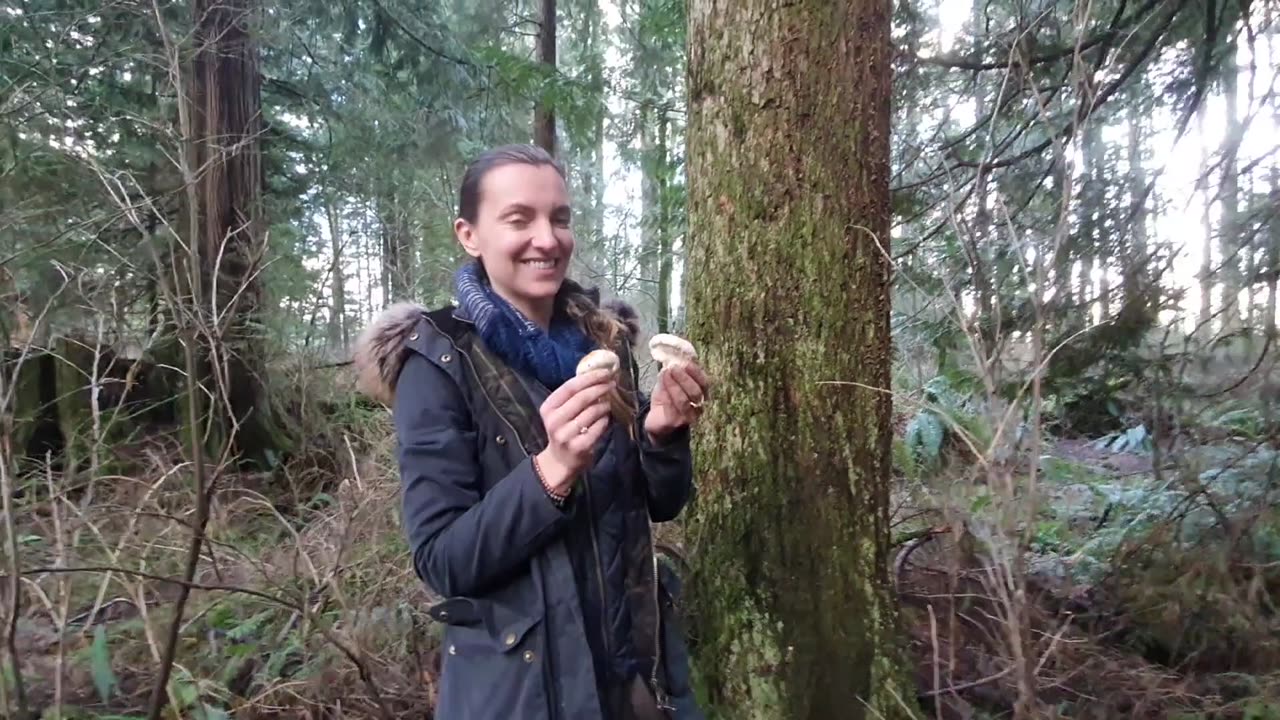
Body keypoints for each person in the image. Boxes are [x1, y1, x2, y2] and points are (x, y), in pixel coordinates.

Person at [353, 143, 709, 719]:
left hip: (633, 680)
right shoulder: (439, 363)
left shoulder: (604, 341)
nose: (547, 238)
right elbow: (443, 560)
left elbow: (660, 505)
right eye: (519, 219)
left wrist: (661, 434)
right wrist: (552, 471)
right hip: (523, 694)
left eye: (559, 219)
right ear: (469, 234)